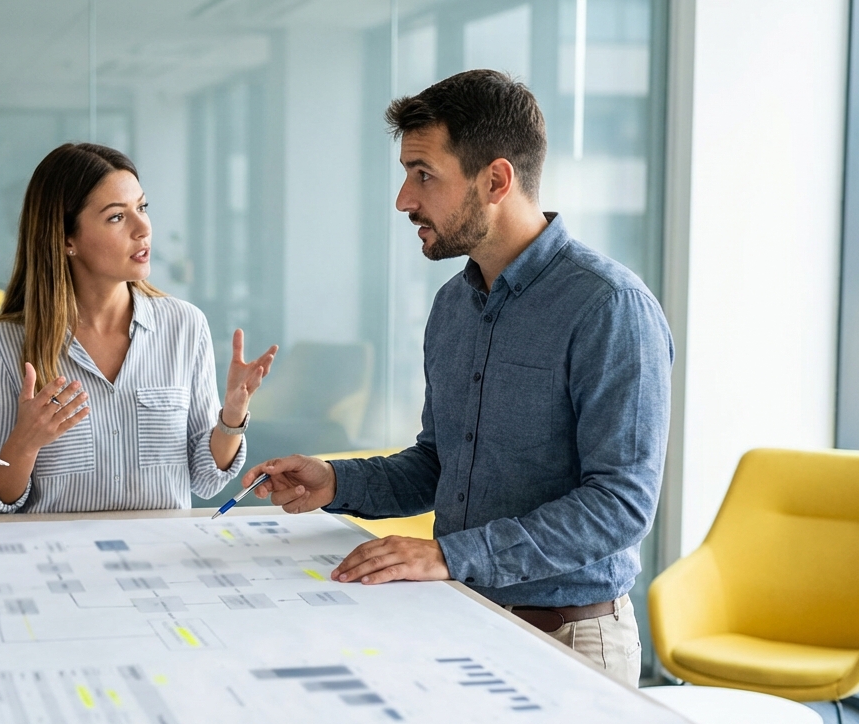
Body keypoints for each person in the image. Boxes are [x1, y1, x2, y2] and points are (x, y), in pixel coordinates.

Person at [243, 70, 673, 688]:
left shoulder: (609, 307)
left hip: (568, 641)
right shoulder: (454, 305)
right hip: (457, 620)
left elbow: (620, 505)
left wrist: (450, 555)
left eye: (423, 174)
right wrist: (335, 480)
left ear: (496, 180)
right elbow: (440, 463)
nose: (403, 200)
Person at [0, 143, 277, 514]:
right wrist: (26, 442)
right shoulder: (7, 343)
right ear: (67, 239)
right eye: (117, 217)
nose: (143, 228)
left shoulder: (185, 326)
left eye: (142, 208)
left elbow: (206, 479)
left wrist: (232, 416)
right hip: (61, 549)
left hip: (163, 547)